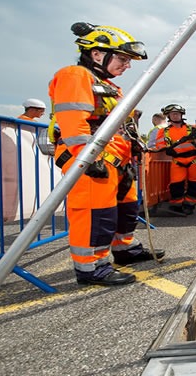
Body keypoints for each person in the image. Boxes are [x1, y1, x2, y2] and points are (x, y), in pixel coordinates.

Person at [48, 22, 164, 286]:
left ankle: (124, 249)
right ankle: (92, 268)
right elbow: (74, 122)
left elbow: (121, 123)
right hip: (92, 160)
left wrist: (132, 146)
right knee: (95, 215)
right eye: (123, 59)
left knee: (123, 210)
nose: (127, 65)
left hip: (116, 160)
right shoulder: (76, 76)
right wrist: (86, 159)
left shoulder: (109, 86)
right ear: (98, 54)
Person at [154, 104, 196, 215]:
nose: (175, 116)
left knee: (194, 184)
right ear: (168, 116)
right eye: (173, 114)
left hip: (194, 160)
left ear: (181, 115)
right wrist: (166, 149)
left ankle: (190, 205)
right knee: (176, 184)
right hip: (178, 161)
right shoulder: (163, 132)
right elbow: (159, 144)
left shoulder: (193, 128)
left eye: (177, 113)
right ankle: (177, 205)